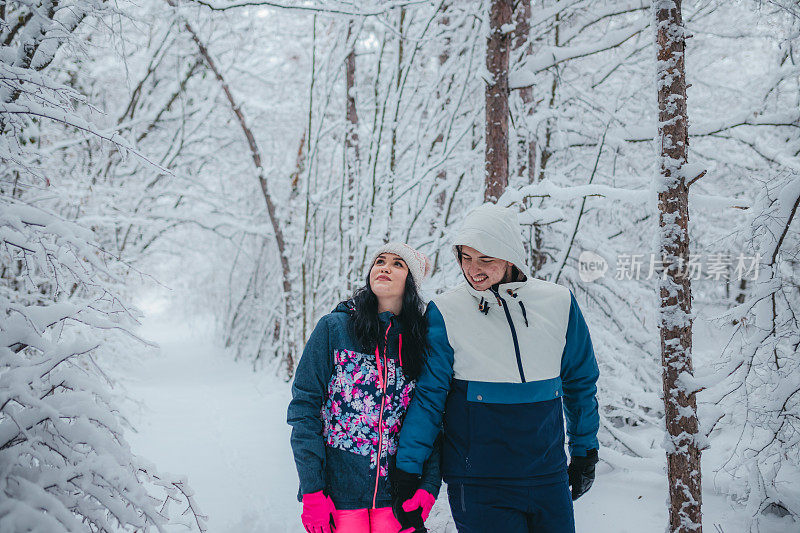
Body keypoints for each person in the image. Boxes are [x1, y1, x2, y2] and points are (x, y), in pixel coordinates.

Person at [391, 204, 600, 533]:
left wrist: (585, 451)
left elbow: (580, 383)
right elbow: (430, 396)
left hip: (548, 477)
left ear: (509, 254)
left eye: (485, 259)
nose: (473, 269)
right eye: (465, 257)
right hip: (479, 484)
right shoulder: (446, 311)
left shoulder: (559, 302)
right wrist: (408, 468)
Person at [288, 243, 441, 533]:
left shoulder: (419, 341)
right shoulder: (335, 329)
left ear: (411, 282)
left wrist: (430, 484)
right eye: (379, 261)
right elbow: (304, 409)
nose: (384, 267)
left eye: (398, 264)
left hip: (397, 497)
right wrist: (311, 490)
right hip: (339, 493)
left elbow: (431, 417)